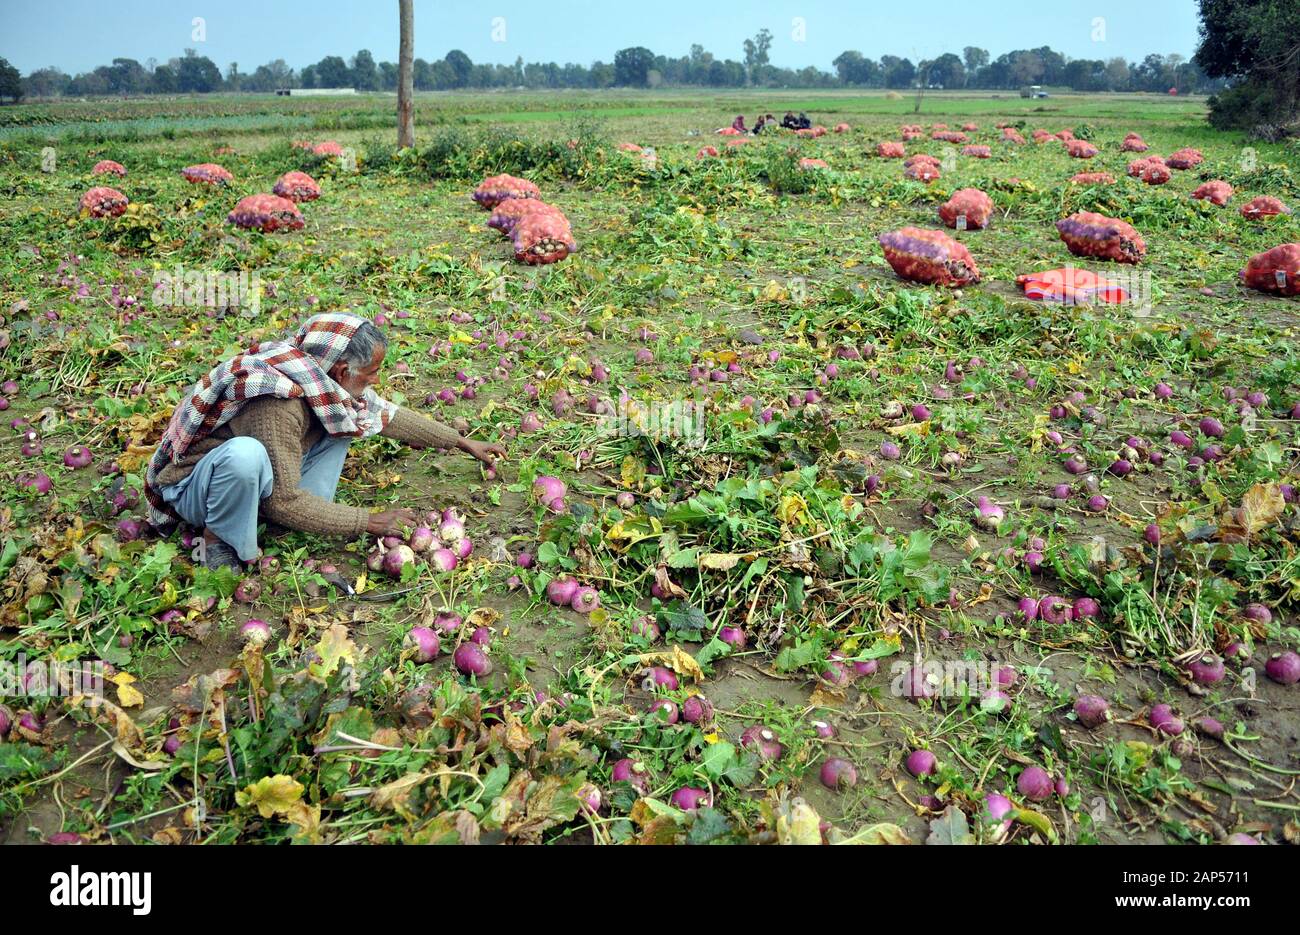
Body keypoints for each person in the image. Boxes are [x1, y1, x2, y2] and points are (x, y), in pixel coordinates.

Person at [143, 312, 505, 571]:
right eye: (374, 372)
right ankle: (217, 541)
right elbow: (282, 500)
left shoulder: (324, 385)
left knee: (348, 424)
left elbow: (388, 416)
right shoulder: (277, 404)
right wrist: (368, 521)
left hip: (264, 477)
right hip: (198, 491)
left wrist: (461, 442)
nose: (377, 381)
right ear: (343, 371)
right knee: (245, 456)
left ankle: (308, 513)